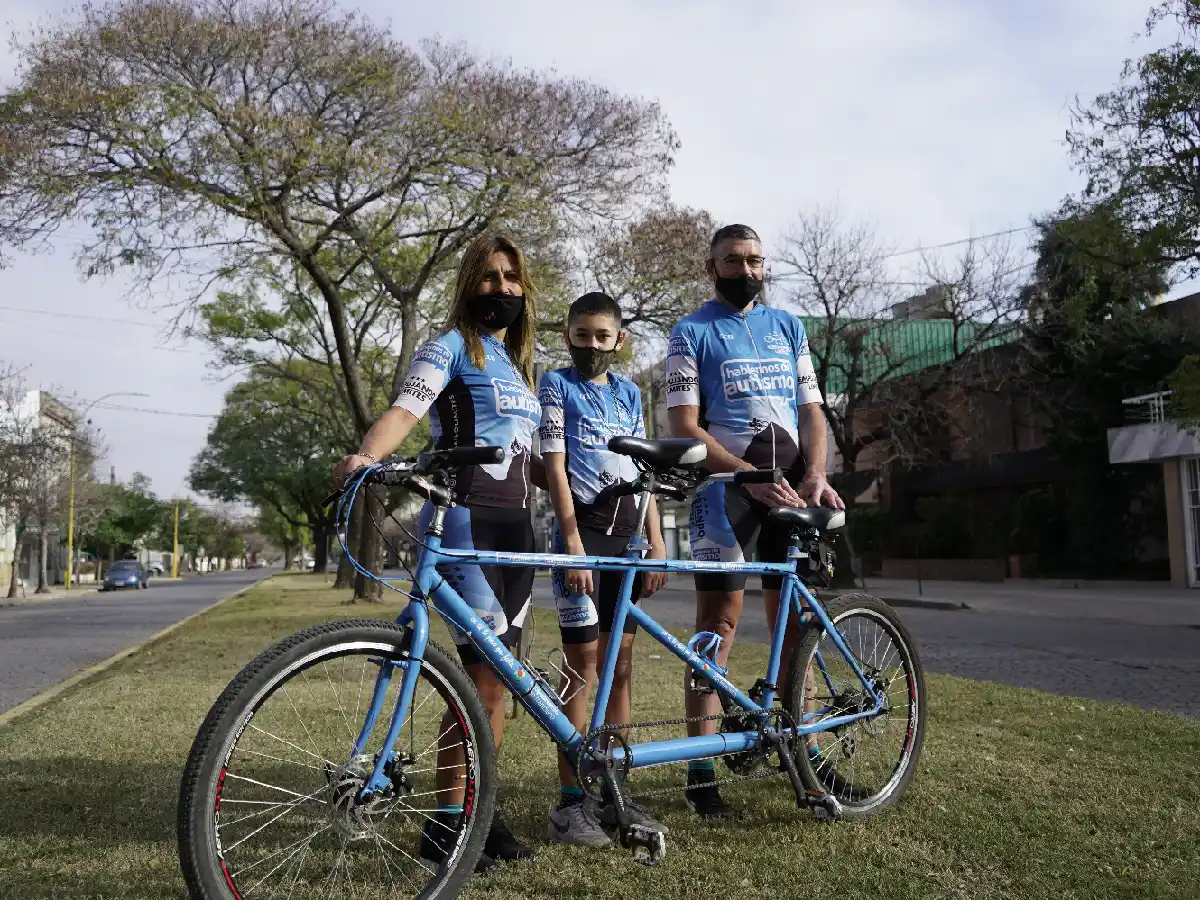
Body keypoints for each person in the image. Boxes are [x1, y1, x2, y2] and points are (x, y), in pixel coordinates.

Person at [333, 232, 542, 870]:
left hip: (519, 535)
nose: (501, 288)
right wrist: (368, 456)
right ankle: (447, 824)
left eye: (512, 279)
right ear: (468, 284)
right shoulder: (450, 346)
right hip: (463, 526)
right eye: (489, 277)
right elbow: (404, 411)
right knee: (476, 680)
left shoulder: (519, 365)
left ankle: (479, 812)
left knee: (498, 683)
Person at [664, 223, 845, 819]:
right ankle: (700, 768)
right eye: (734, 261)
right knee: (717, 624)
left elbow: (811, 411)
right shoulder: (689, 332)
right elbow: (685, 425)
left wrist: (817, 474)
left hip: (792, 487)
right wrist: (746, 474)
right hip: (726, 492)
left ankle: (807, 754)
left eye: (756, 261)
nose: (747, 271)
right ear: (711, 266)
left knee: (795, 625)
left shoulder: (789, 327)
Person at [537, 291, 669, 847]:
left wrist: (657, 541)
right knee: (582, 665)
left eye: (602, 336)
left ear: (620, 341)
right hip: (582, 536)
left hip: (629, 542)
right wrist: (572, 545)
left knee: (621, 666)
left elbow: (645, 470)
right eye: (582, 334)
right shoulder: (555, 384)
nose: (592, 344)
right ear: (567, 335)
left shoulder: (631, 392)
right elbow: (556, 466)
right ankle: (572, 802)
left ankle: (614, 789)